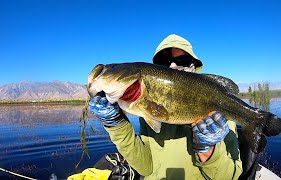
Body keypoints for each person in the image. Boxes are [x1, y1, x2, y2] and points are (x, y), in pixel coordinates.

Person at [89, 34, 243, 179]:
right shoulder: (145, 107)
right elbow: (146, 168)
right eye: (164, 62)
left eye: (182, 60)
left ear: (193, 64)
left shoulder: (220, 112)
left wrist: (209, 151)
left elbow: (231, 177)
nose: (173, 65)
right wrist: (117, 124)